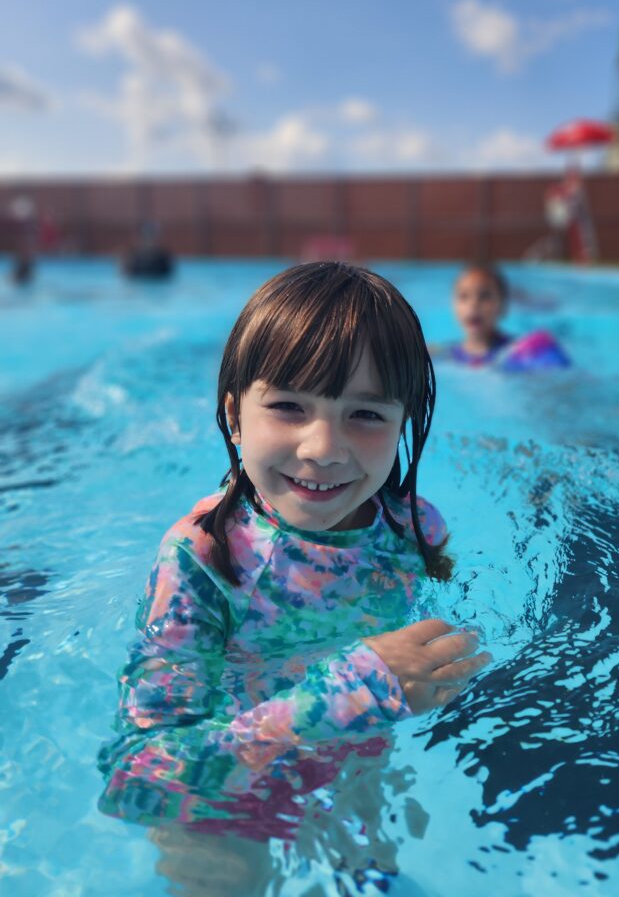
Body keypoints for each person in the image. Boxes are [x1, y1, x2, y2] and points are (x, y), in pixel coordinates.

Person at [98, 261, 490, 844]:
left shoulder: (416, 527)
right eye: (288, 407)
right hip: (224, 801)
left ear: (403, 422)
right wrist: (345, 694)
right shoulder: (202, 559)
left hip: (359, 763)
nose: (324, 448)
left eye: (366, 414)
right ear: (235, 416)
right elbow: (136, 778)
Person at [433, 263, 570, 372]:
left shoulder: (517, 351)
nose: (473, 304)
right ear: (453, 305)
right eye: (463, 296)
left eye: (484, 296)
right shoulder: (448, 354)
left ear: (502, 307)